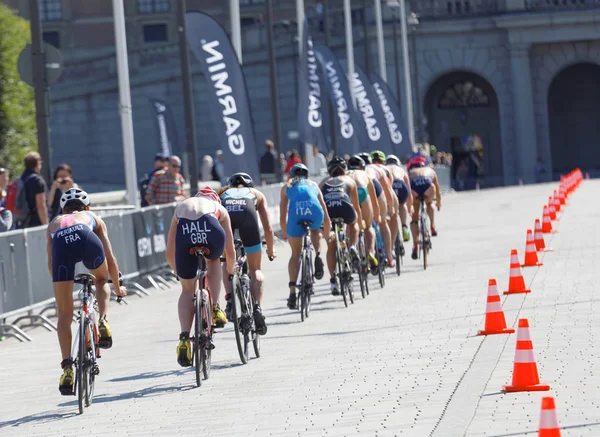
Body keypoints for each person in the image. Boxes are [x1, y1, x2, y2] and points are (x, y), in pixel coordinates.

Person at [46, 188, 127, 395]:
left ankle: (66, 368)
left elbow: (50, 264)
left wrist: (61, 283)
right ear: (87, 207)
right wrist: (117, 288)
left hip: (62, 248)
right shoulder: (92, 217)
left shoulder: (54, 223)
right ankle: (103, 320)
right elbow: (111, 259)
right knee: (101, 280)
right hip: (86, 238)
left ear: (63, 209)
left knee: (64, 314)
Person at [165, 186, 236, 367]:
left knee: (187, 290)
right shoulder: (219, 208)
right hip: (210, 229)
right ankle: (215, 308)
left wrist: (177, 270)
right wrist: (230, 267)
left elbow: (169, 252)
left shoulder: (182, 206)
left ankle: (183, 338)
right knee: (213, 262)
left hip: (185, 234)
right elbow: (230, 250)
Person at [219, 172, 276, 335]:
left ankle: (230, 299)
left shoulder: (224, 194)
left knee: (226, 261)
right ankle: (257, 307)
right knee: (255, 269)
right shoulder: (256, 194)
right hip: (248, 219)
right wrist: (271, 251)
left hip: (227, 220)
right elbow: (268, 228)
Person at [279, 163, 330, 309]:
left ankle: (292, 292)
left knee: (295, 254)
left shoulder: (287, 187)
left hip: (296, 215)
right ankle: (318, 255)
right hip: (315, 213)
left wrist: (285, 232)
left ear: (291, 175)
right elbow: (324, 212)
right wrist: (327, 233)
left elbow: (283, 215)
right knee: (315, 230)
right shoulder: (313, 184)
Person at [319, 157, 363, 295]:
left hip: (329, 211)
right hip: (345, 208)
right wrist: (360, 224)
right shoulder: (350, 181)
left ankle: (333, 280)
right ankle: (352, 247)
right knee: (353, 223)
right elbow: (356, 206)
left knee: (331, 245)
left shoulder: (323, 182)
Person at [359, 152, 395, 268]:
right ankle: (389, 256)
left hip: (360, 187)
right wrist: (391, 207)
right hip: (375, 185)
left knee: (361, 224)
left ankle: (364, 254)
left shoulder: (356, 172)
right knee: (383, 223)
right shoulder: (377, 168)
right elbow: (387, 190)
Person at [347, 155, 380, 272]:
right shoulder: (365, 175)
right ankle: (371, 252)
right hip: (362, 191)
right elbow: (374, 200)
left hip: (349, 193)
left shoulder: (346, 174)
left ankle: (351, 247)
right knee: (369, 227)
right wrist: (377, 215)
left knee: (350, 224)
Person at [407, 156, 442, 260]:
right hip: (428, 186)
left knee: (414, 218)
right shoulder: (430, 170)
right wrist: (439, 202)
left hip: (414, 189)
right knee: (429, 204)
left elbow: (407, 190)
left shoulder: (410, 172)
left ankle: (415, 244)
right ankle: (432, 226)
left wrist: (409, 205)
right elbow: (437, 189)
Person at [385, 154, 413, 243]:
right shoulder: (401, 170)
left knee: (388, 205)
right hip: (401, 184)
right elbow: (409, 191)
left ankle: (389, 226)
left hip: (390, 184)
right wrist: (410, 207)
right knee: (402, 203)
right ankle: (404, 226)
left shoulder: (384, 168)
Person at [19, 152, 48, 228]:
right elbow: (41, 205)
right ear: (38, 164)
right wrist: (46, 225)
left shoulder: (21, 179)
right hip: (35, 222)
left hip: (21, 221)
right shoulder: (37, 180)